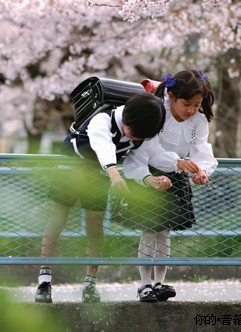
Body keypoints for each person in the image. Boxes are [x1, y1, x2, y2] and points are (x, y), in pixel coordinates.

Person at [34, 91, 200, 304]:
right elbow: (105, 147)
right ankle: (44, 279)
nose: (135, 139)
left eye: (141, 137)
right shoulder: (102, 119)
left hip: (101, 175)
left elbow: (147, 156)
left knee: (94, 227)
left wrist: (170, 166)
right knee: (57, 220)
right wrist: (114, 174)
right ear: (127, 119)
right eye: (133, 133)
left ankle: (90, 282)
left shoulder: (142, 133)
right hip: (72, 168)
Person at [121, 69, 217, 302]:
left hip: (176, 174)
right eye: (187, 104)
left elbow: (201, 150)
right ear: (172, 96)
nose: (192, 110)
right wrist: (177, 163)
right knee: (149, 229)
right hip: (148, 172)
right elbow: (148, 151)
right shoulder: (157, 111)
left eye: (197, 104)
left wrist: (201, 170)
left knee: (164, 231)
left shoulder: (198, 120)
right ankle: (144, 284)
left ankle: (159, 283)